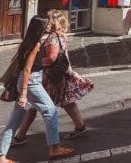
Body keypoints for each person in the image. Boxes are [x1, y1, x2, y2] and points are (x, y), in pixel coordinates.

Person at [0, 16, 73, 163]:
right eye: (47, 24)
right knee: (51, 111)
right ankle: (54, 148)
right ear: (40, 27)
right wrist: (24, 94)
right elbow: (27, 69)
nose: (49, 26)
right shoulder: (35, 44)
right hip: (30, 82)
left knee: (15, 121)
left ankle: (0, 156)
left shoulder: (27, 42)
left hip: (24, 81)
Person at [12, 10, 93, 144]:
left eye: (49, 21)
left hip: (50, 76)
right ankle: (80, 126)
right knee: (66, 101)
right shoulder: (61, 35)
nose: (47, 24)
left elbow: (51, 59)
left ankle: (21, 136)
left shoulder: (53, 38)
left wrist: (34, 61)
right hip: (61, 73)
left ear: (54, 23)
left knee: (33, 104)